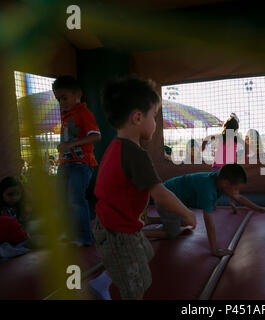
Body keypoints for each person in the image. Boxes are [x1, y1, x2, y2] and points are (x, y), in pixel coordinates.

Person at [88, 75, 196, 300]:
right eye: (154, 116)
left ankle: (101, 282)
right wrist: (186, 213)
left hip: (110, 224)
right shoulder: (135, 154)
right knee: (138, 285)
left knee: (145, 252)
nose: (155, 124)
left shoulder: (115, 147)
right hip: (118, 231)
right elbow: (161, 194)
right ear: (137, 117)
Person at [143, 164, 265, 257]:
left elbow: (239, 198)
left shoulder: (218, 181)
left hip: (172, 197)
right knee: (172, 233)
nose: (236, 192)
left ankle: (149, 220)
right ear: (225, 183)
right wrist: (215, 250)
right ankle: (141, 233)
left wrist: (259, 209)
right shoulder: (208, 190)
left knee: (186, 223)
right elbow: (208, 221)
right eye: (236, 188)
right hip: (166, 200)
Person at [52, 75, 101, 247]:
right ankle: (70, 232)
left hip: (81, 164)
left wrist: (70, 144)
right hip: (65, 163)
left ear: (77, 94)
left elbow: (96, 136)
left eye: (64, 98)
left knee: (75, 198)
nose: (61, 102)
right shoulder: (66, 116)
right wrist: (63, 147)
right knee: (60, 198)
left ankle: (84, 237)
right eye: (58, 99)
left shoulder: (83, 113)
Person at [202, 113, 248, 213]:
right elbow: (247, 147)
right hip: (230, 167)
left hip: (218, 165)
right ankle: (232, 202)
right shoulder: (236, 138)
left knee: (215, 185)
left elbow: (206, 139)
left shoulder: (220, 137)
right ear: (236, 129)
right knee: (233, 186)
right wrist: (245, 155)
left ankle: (213, 203)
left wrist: (203, 147)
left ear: (225, 127)